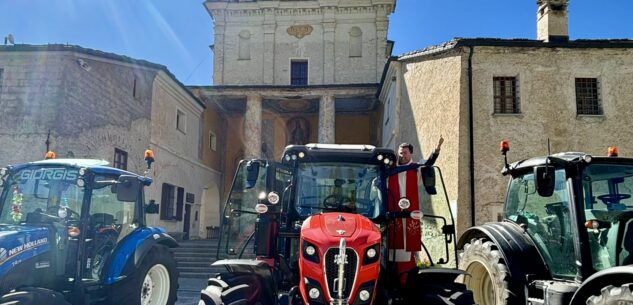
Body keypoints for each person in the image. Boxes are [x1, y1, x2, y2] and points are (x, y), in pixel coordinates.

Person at [387, 136, 443, 282]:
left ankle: (407, 278)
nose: (402, 155)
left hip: (411, 213)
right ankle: (394, 277)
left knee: (408, 246)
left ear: (410, 153)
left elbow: (429, 162)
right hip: (394, 212)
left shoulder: (416, 168)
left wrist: (436, 150)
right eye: (400, 152)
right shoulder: (390, 169)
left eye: (405, 152)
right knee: (393, 245)